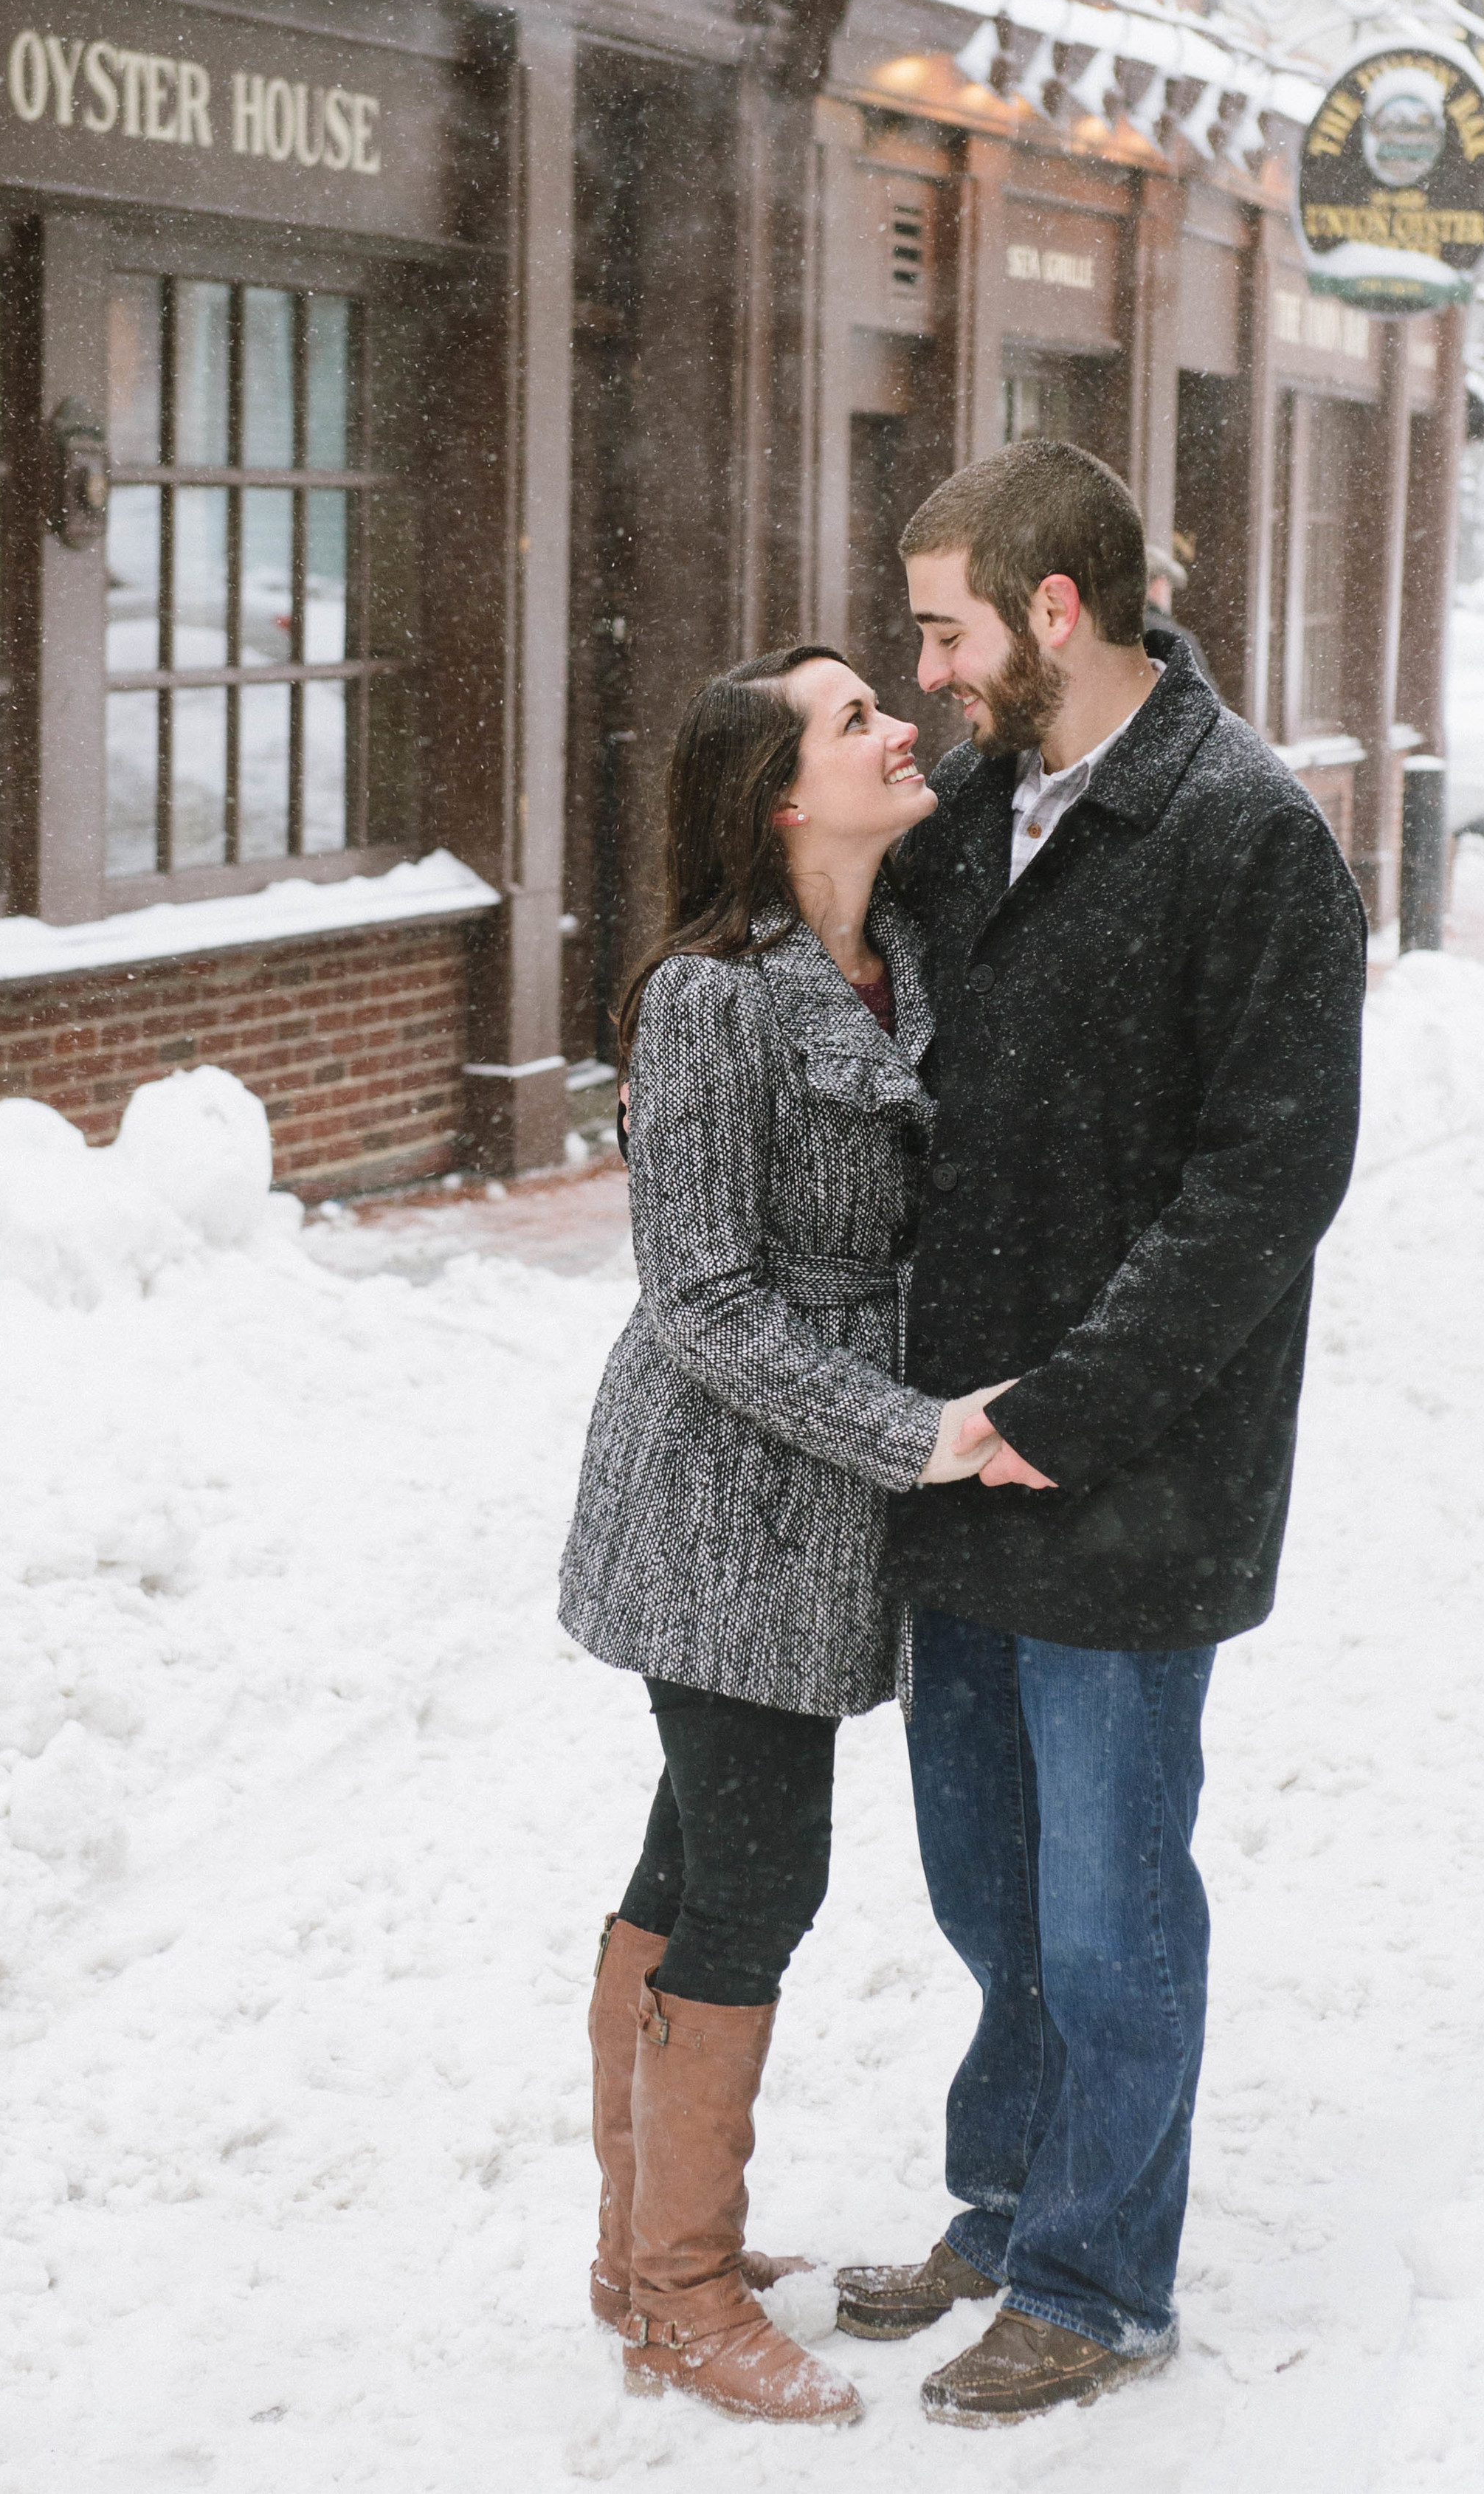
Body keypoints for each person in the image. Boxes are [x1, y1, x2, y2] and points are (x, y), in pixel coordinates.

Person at [833, 441, 1367, 2426]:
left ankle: (1093, 2275)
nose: (926, 664)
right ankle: (1003, 2196)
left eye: (944, 624)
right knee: (986, 1876)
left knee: (1107, 1896)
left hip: (1130, 1474)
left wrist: (1072, 1407)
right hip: (960, 1446)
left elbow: (1264, 1179)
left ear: (1053, 611)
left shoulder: (1244, 837)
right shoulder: (973, 811)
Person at [559, 644, 993, 2428]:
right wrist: (916, 1434)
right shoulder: (709, 1000)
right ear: (781, 800)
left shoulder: (897, 961)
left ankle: (638, 2246)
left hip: (815, 1495)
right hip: (719, 1494)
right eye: (853, 718)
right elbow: (706, 1298)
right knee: (758, 1874)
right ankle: (676, 2286)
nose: (902, 726)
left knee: (690, 1860)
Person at [1143, 540, 1215, 688]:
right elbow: (1208, 704)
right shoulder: (1173, 638)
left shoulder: (1107, 632)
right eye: (1169, 587)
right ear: (1160, 584)